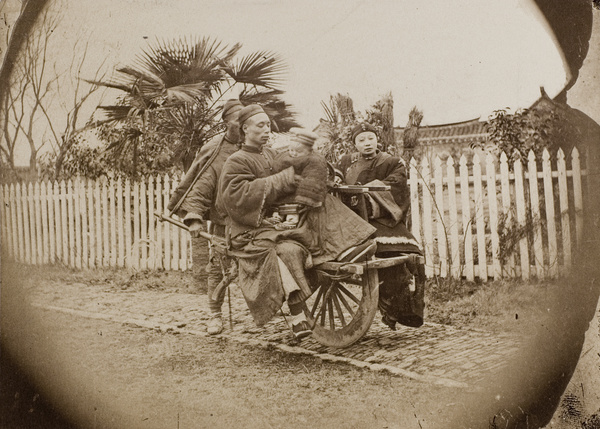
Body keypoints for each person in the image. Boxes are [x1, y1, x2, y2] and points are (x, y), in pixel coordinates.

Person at [218, 105, 376, 339]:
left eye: (267, 125)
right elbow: (234, 196)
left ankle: (347, 247)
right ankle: (296, 313)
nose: (266, 130)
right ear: (245, 129)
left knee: (322, 203)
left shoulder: (271, 154)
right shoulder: (237, 160)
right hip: (250, 229)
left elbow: (301, 163)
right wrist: (282, 180)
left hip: (278, 221)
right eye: (259, 125)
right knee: (288, 250)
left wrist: (319, 175)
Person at [337, 122, 424, 330]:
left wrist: (366, 192)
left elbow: (396, 185)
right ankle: (391, 306)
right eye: (361, 140)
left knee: (401, 250)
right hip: (351, 219)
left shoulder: (392, 162)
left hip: (383, 217)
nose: (367, 143)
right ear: (354, 143)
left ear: (378, 140)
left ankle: (399, 306)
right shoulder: (346, 162)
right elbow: (335, 179)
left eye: (370, 138)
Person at [167, 98, 243, 335]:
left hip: (252, 220)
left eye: (245, 120)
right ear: (226, 122)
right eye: (237, 120)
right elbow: (201, 185)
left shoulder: (255, 145)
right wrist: (195, 216)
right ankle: (215, 315)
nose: (241, 125)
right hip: (224, 221)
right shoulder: (215, 150)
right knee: (218, 268)